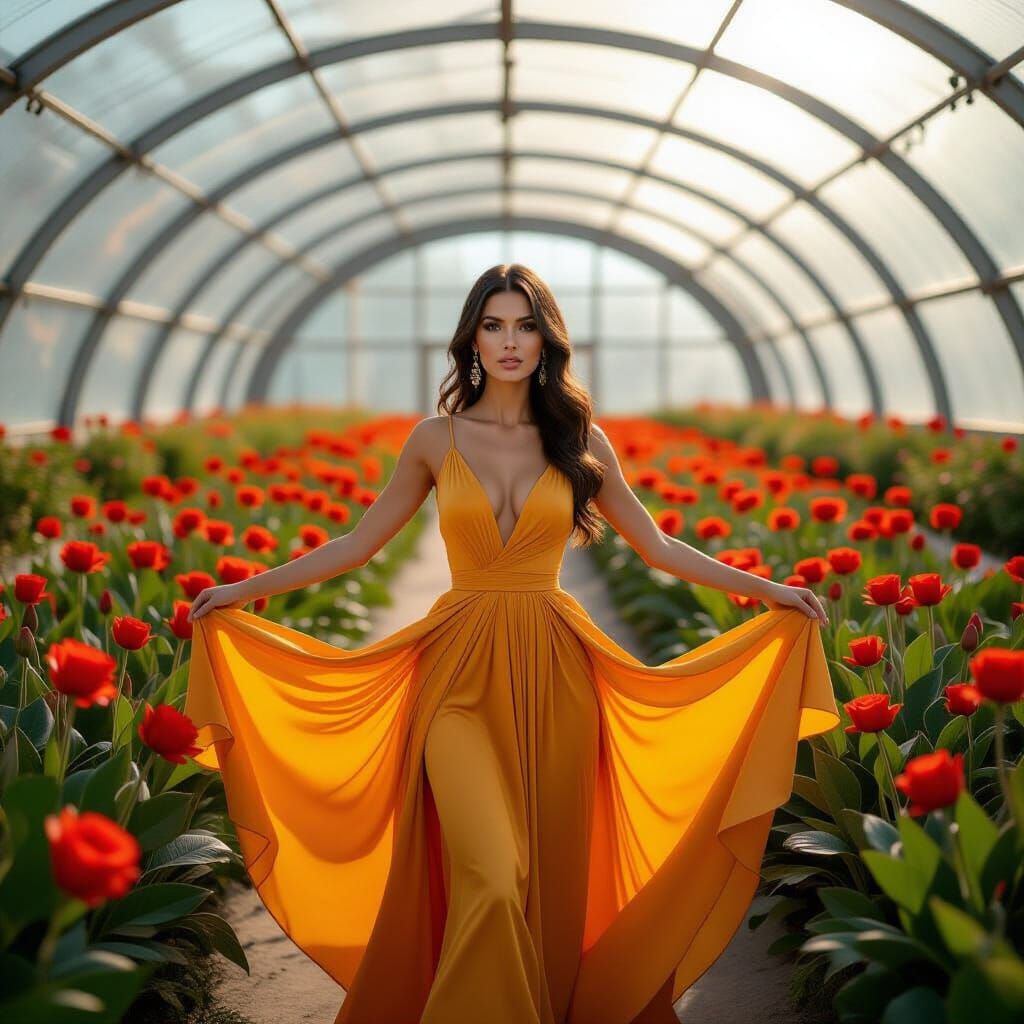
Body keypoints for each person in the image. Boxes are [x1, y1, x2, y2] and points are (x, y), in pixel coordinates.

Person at [184, 263, 838, 1024]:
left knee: (547, 880)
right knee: (492, 876)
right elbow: (359, 545)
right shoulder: (434, 438)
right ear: (471, 338)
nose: (509, 341)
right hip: (456, 673)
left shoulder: (582, 441)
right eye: (493, 325)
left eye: (526, 326)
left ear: (547, 339)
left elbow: (657, 547)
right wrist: (241, 591)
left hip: (558, 675)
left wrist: (771, 591)